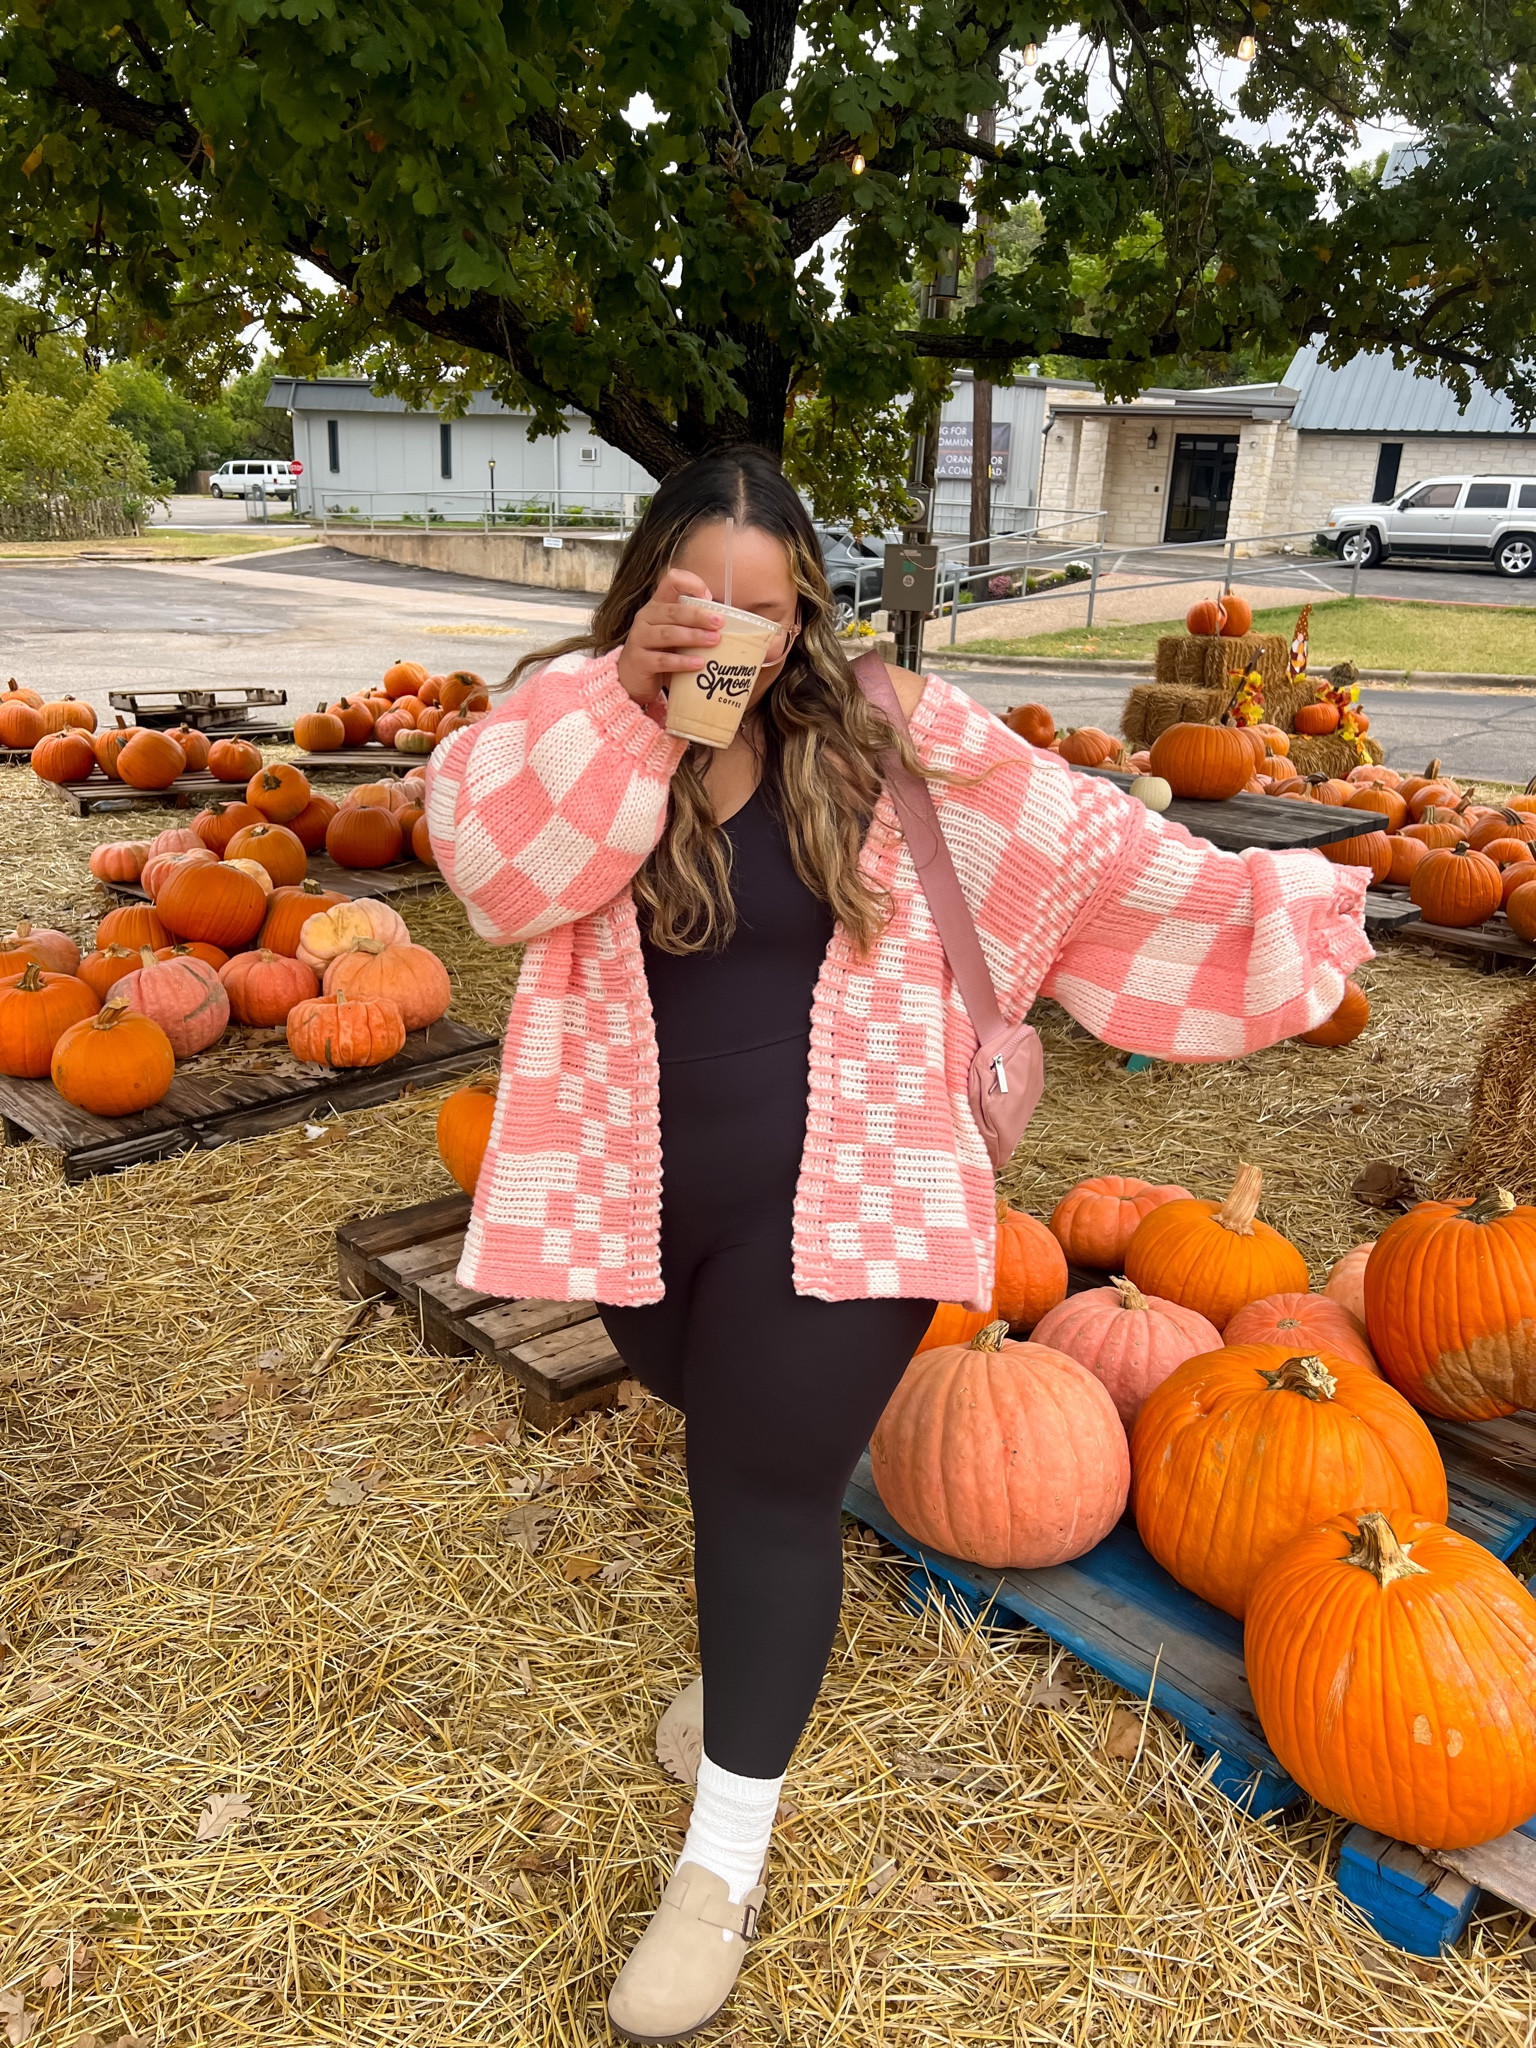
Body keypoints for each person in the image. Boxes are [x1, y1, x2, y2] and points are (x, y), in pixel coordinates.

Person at [423, 447, 1370, 2042]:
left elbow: (1100, 855)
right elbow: (493, 877)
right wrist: (628, 710)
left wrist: (1288, 911)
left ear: (806, 617)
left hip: (853, 1192)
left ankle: (721, 1864)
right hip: (646, 1201)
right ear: (648, 590)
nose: (730, 631)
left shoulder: (884, 749)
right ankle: (754, 1677)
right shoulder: (571, 725)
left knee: (763, 1490)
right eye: (696, 598)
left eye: (764, 607)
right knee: (695, 1403)